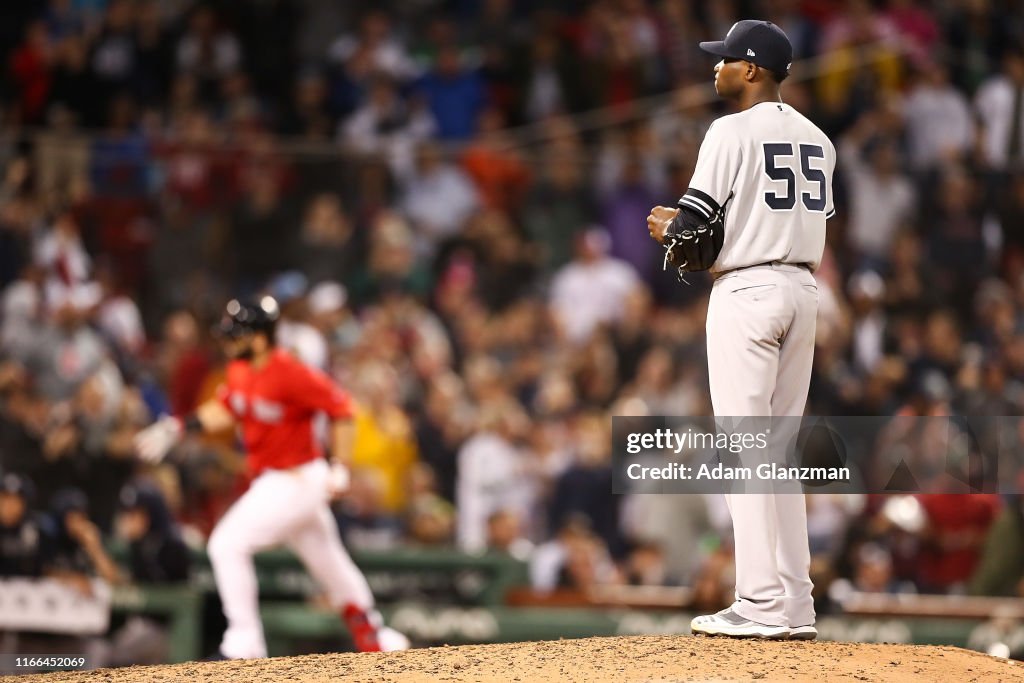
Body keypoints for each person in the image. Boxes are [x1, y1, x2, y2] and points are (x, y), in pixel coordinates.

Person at [646, 20, 836, 640]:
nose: (717, 68)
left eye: (726, 60)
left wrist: (671, 231)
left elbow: (699, 236)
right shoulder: (819, 138)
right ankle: (796, 603)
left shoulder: (728, 130)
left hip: (749, 291)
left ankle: (757, 603)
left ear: (753, 69)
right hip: (804, 291)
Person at [134, 297, 408, 658]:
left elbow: (341, 409)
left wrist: (340, 464)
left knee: (227, 544)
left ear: (260, 338)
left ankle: (245, 641)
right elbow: (228, 407)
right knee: (327, 559)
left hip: (297, 477)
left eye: (236, 335)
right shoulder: (241, 370)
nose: (228, 342)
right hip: (277, 480)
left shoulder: (290, 371)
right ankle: (375, 635)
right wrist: (179, 426)